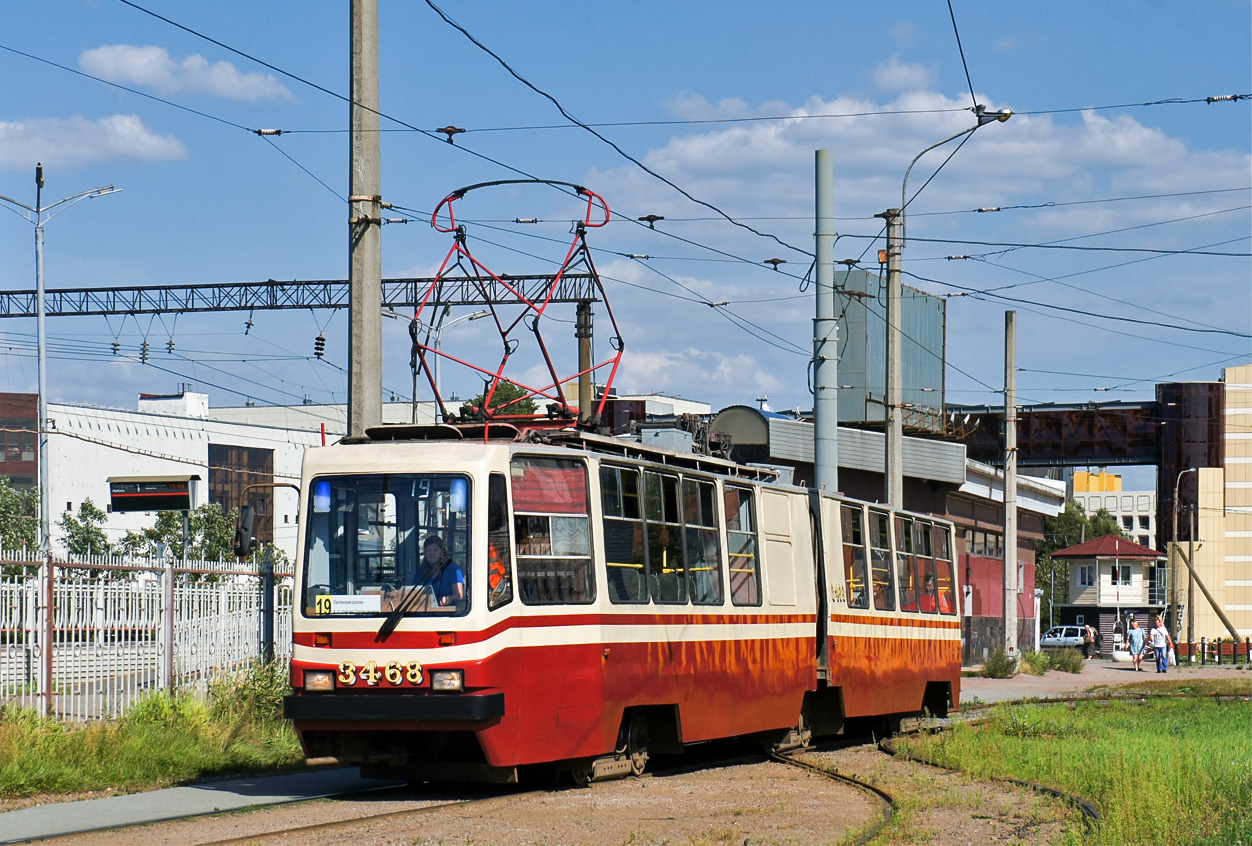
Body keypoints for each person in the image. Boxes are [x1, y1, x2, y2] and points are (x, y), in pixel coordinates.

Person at [416, 535, 464, 607]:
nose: (432, 553)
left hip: (447, 614)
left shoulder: (453, 569)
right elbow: (412, 593)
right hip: (423, 613)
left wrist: (450, 598)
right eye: (429, 550)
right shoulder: (421, 570)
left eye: (435, 550)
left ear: (442, 552)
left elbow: (459, 595)